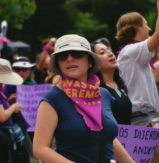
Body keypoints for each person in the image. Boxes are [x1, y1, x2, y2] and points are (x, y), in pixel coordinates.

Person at [34, 34, 133, 163]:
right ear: (58, 64)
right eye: (63, 56)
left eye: (77, 54)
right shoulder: (52, 99)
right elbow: (40, 149)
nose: (69, 59)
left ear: (90, 62)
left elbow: (106, 136)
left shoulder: (104, 94)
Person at [116, 0, 159, 126]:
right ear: (138, 27)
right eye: (146, 25)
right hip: (142, 117)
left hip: (145, 115)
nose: (149, 29)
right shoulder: (132, 51)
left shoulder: (131, 52)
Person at [91, 39, 132, 125]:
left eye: (109, 50)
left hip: (126, 138)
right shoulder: (97, 90)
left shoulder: (119, 85)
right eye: (102, 53)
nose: (110, 53)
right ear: (93, 62)